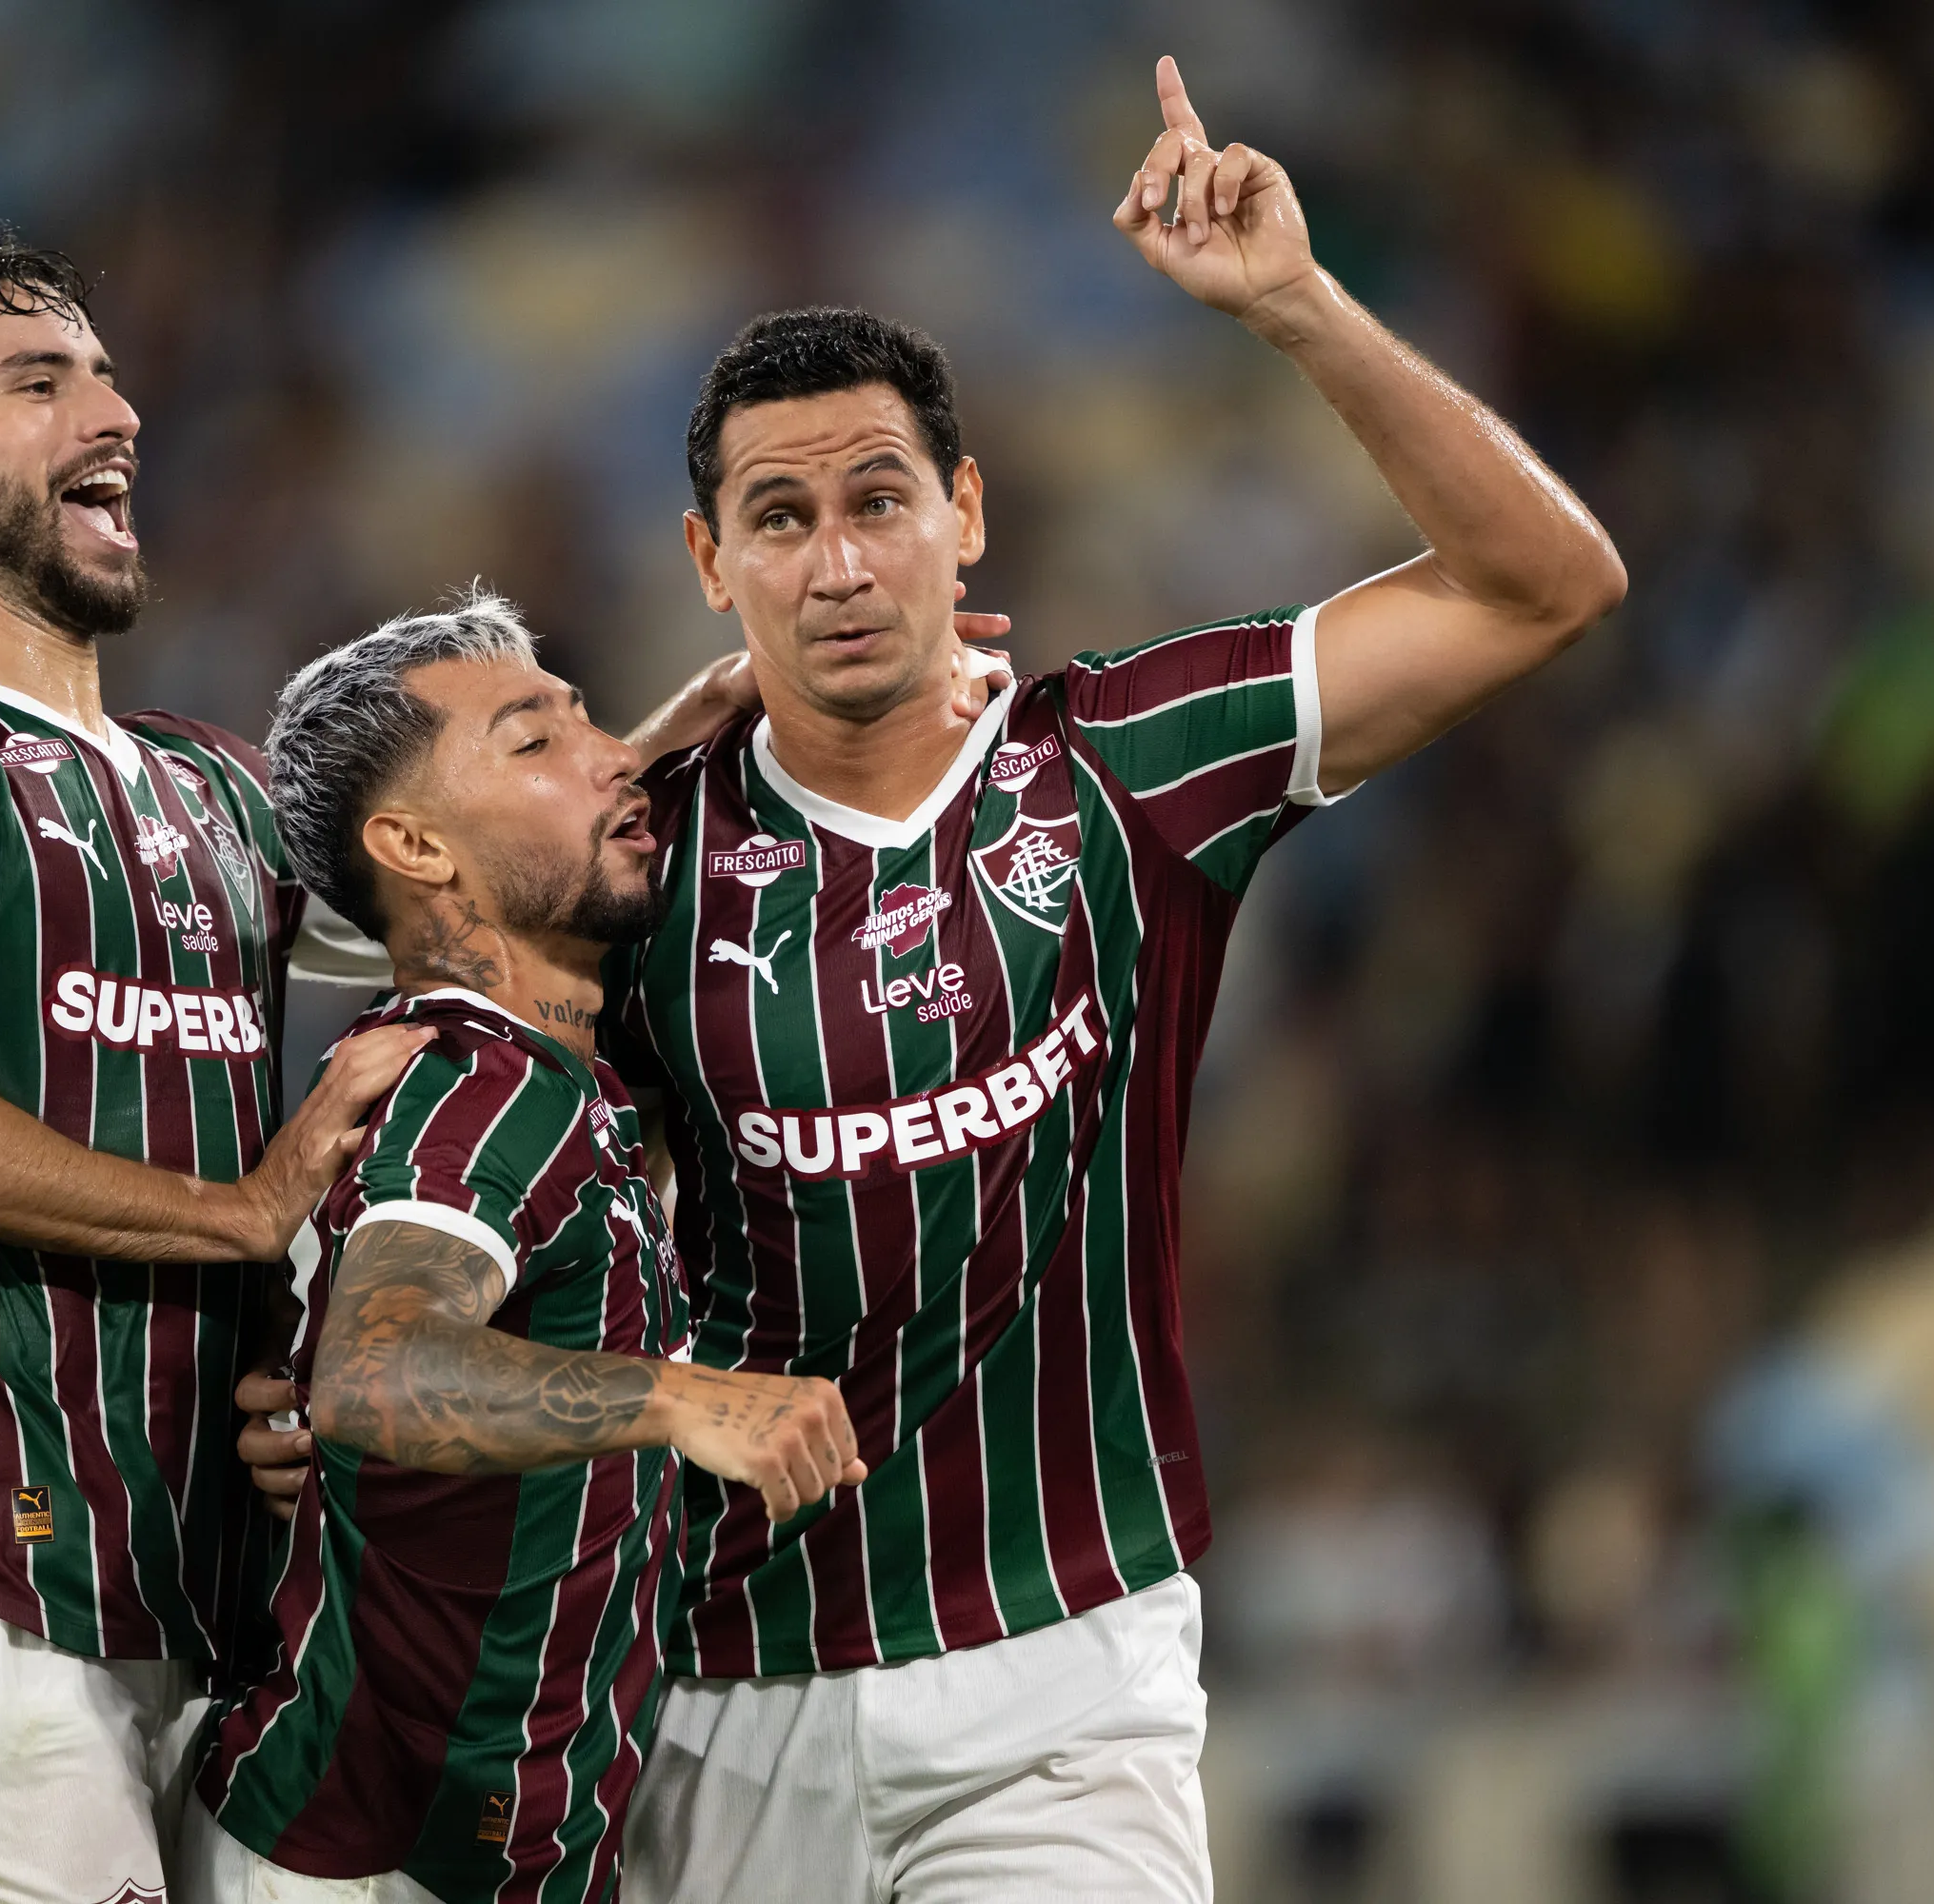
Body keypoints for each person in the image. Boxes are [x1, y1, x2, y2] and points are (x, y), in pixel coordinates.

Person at [593, 54, 1628, 1901]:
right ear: (707, 559)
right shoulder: (632, 858)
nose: (839, 561)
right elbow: (340, 914)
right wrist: (623, 755)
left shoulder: (1121, 768)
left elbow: (1541, 580)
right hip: (722, 1685)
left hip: (1065, 1675)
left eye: (881, 498)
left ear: (966, 513)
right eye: (778, 517)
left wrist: (1298, 307)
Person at [0, 227, 430, 1904]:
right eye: (40, 381)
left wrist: (698, 754)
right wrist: (246, 1211)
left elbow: (481, 898)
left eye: (110, 374)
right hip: (1, 1604)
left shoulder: (210, 783)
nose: (115, 410)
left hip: (236, 1606)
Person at [181, 593, 869, 1904]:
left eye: (589, 719)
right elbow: (374, 1373)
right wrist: (682, 1399)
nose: (610, 754)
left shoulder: (554, 1079)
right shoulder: (478, 1088)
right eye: (534, 739)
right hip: (361, 1864)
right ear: (412, 845)